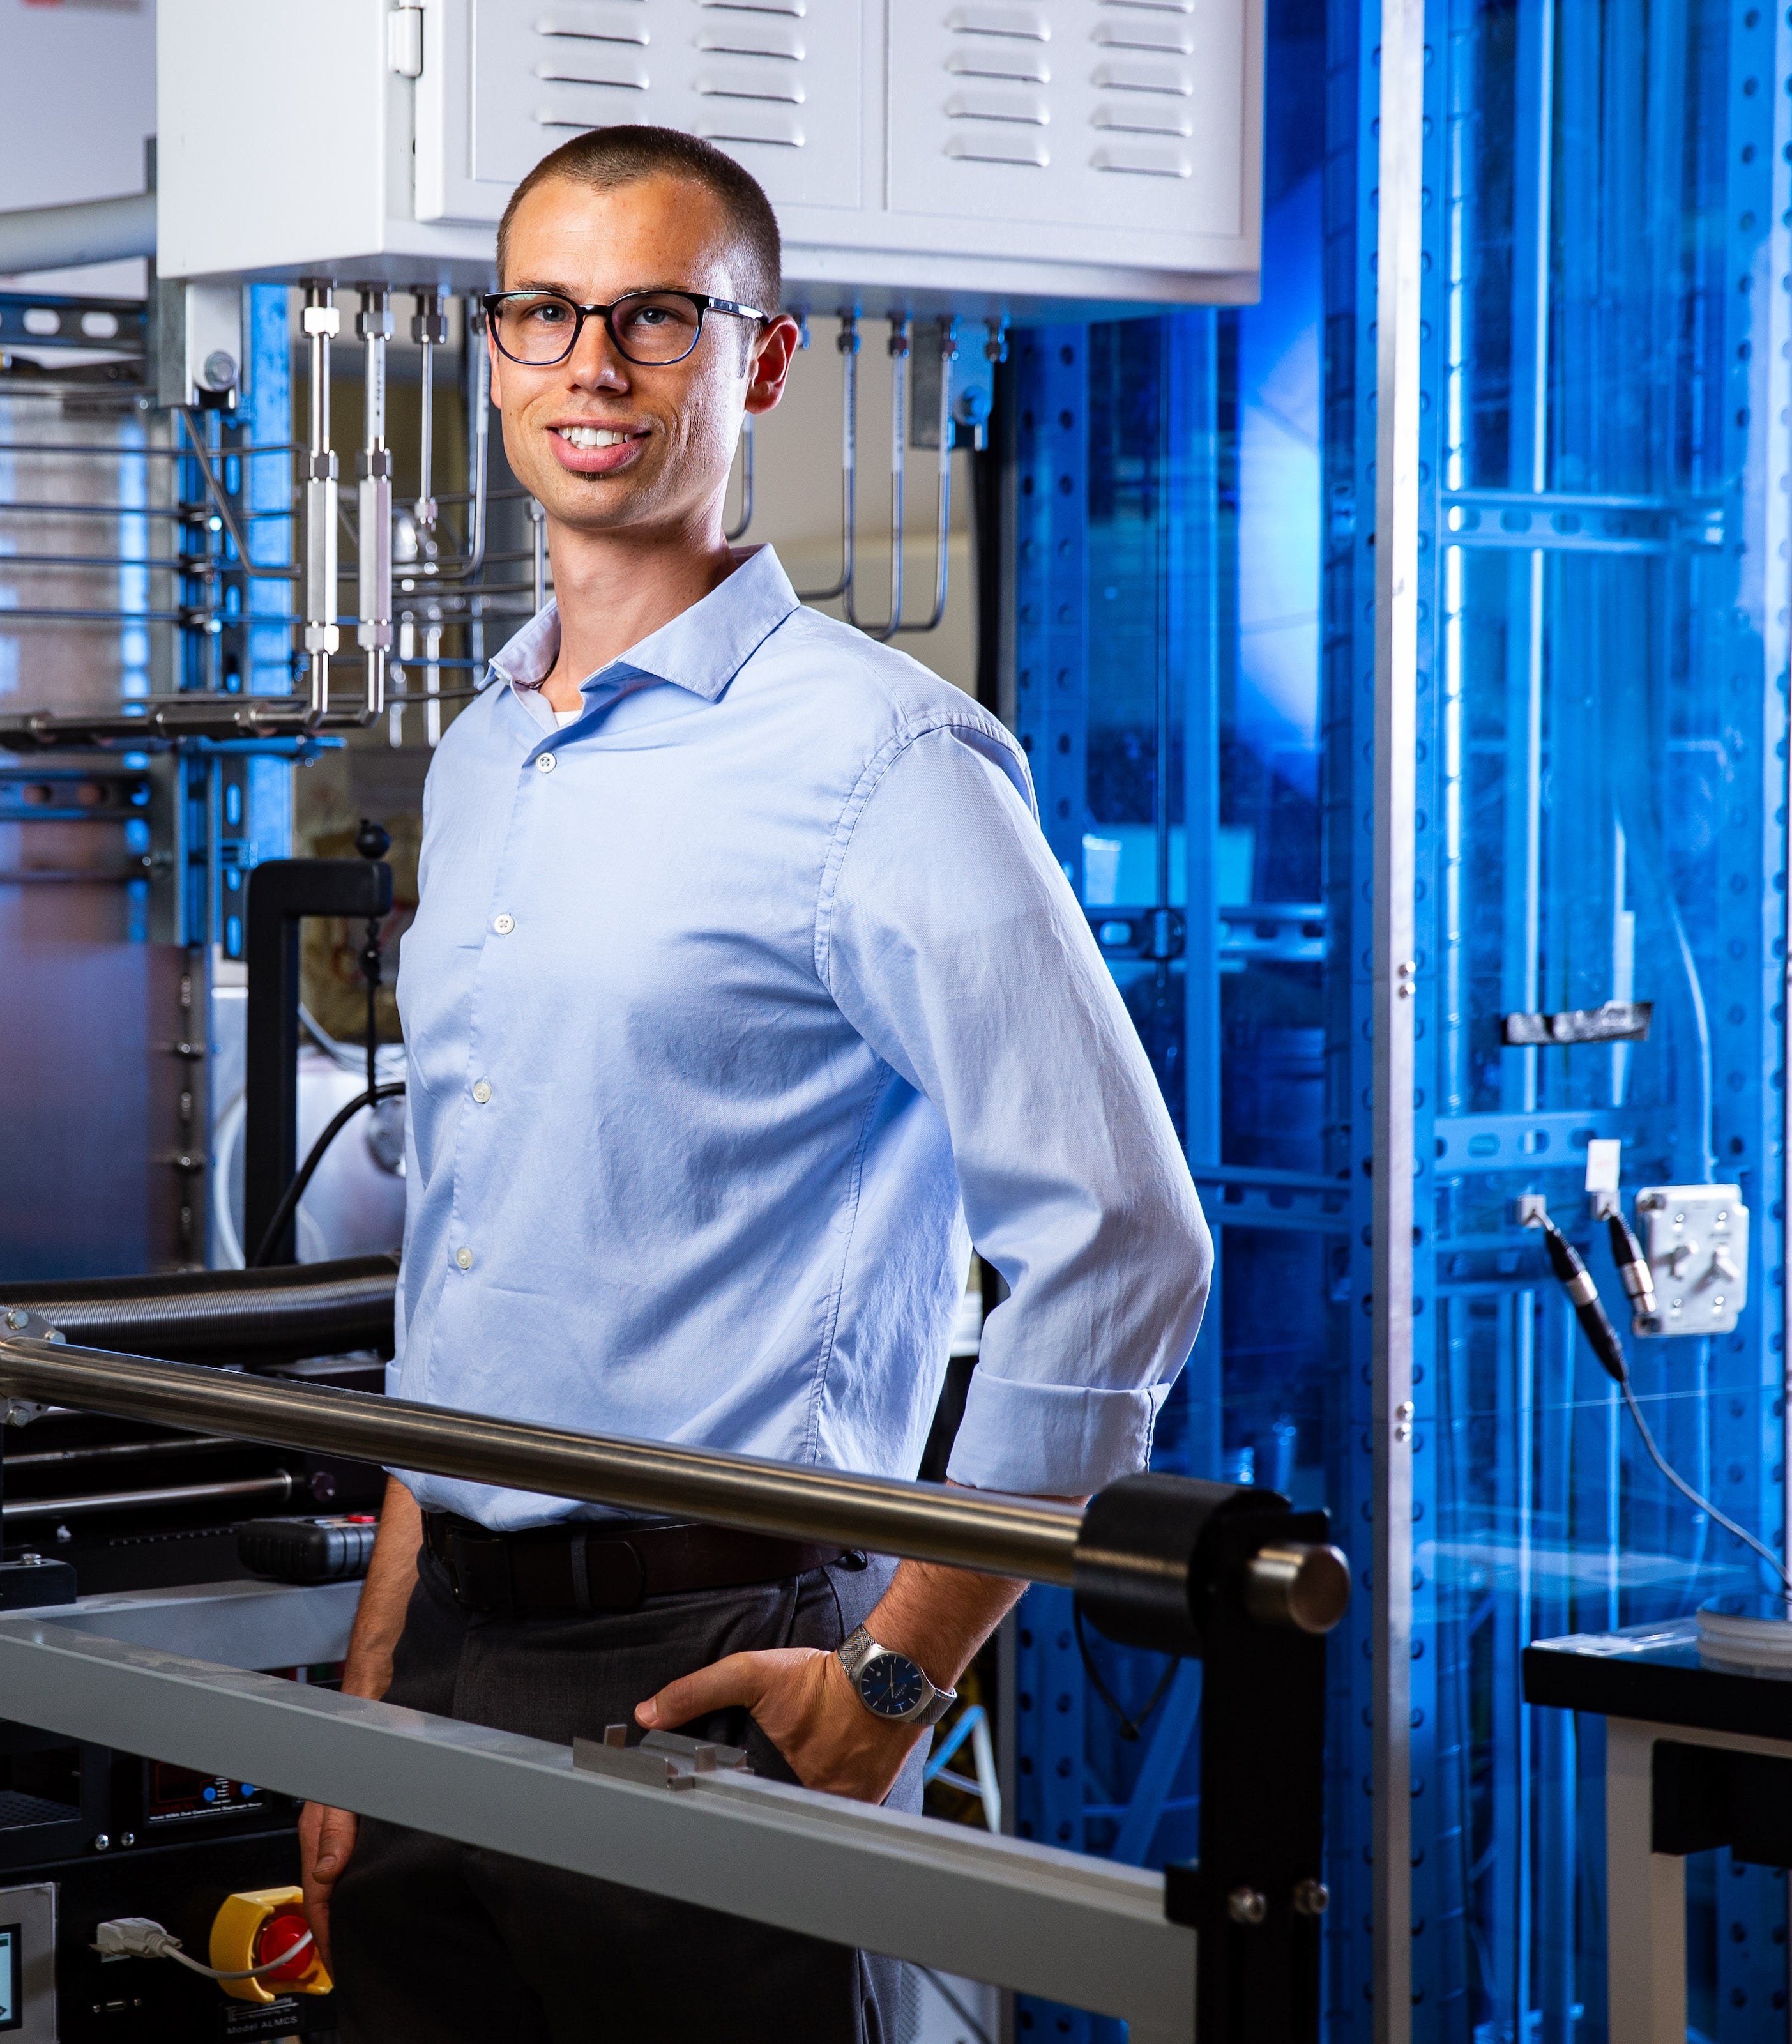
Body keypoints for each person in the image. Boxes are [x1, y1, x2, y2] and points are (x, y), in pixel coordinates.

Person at [297, 125, 1213, 2041]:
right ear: (493, 351)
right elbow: (463, 1258)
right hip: (452, 1655)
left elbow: (1125, 1242)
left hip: (731, 1656)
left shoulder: (883, 765)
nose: (594, 368)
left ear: (762, 361)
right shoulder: (480, 758)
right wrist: (380, 1673)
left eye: (657, 316)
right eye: (546, 313)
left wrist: (896, 1679)